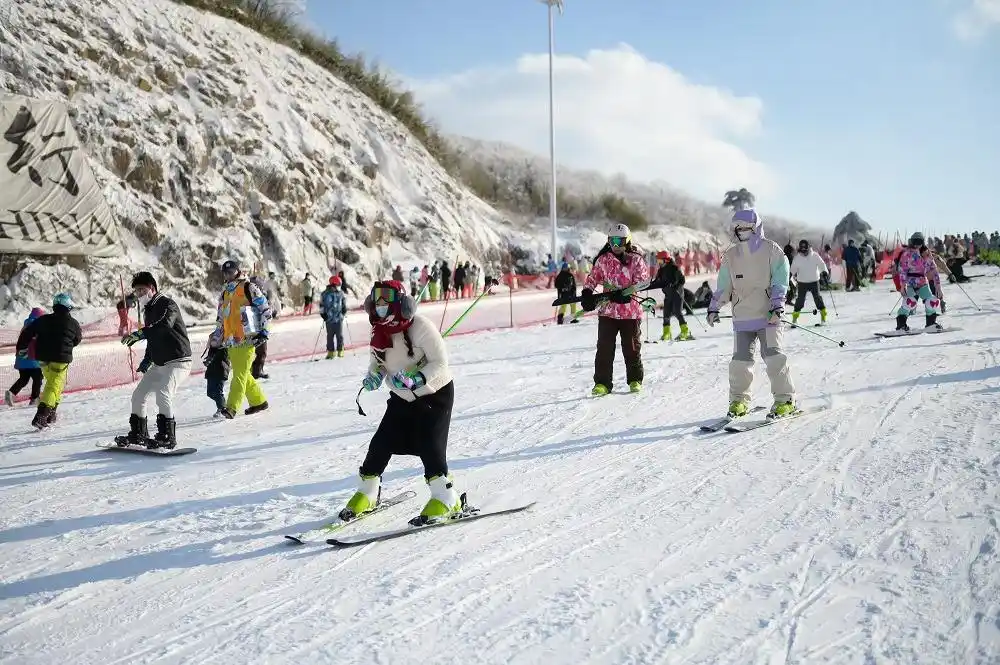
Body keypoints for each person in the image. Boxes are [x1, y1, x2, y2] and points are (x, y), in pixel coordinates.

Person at [340, 280, 464, 525]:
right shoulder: (378, 330)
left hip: (434, 394)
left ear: (401, 302)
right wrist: (374, 374)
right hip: (401, 397)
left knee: (430, 445)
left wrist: (417, 377)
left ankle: (447, 498)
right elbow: (377, 360)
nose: (381, 303)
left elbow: (440, 363)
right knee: (381, 443)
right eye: (377, 297)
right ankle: (368, 492)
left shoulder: (421, 327)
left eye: (386, 297)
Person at [707, 208, 796, 419]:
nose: (741, 232)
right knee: (740, 362)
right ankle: (738, 401)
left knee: (774, 358)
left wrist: (777, 304)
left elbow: (780, 280)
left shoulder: (771, 250)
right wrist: (714, 306)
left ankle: (785, 400)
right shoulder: (730, 256)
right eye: (737, 229)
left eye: (746, 228)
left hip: (769, 316)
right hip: (743, 317)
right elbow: (724, 285)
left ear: (756, 228)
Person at [117, 272, 193, 449]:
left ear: (152, 288)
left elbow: (164, 326)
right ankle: (139, 434)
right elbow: (154, 338)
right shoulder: (149, 310)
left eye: (142, 290)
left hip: (178, 361)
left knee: (163, 393)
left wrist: (141, 332)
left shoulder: (167, 304)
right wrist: (147, 359)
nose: (139, 294)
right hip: (159, 363)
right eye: (136, 291)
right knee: (138, 396)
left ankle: (167, 436)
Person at [580, 223, 650, 395]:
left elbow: (643, 281)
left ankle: (634, 379)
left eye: (619, 241)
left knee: (632, 348)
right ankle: (602, 383)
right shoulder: (604, 259)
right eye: (612, 241)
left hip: (630, 313)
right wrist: (587, 292)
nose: (615, 245)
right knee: (604, 348)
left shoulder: (636, 259)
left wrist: (629, 292)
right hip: (608, 312)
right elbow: (593, 277)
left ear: (627, 241)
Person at [210, 260, 272, 418]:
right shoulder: (225, 293)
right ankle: (258, 401)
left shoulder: (248, 287)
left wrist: (264, 331)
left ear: (237, 271)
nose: (228, 275)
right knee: (242, 373)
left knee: (239, 375)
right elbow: (220, 318)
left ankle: (231, 407)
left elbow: (265, 309)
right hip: (231, 341)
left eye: (231, 272)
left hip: (248, 338)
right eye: (225, 273)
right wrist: (217, 338)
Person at [15, 293, 82, 429]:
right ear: (69, 307)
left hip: (43, 358)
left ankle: (51, 413)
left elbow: (27, 333)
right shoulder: (73, 323)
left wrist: (21, 348)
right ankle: (42, 415)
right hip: (61, 359)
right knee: (53, 386)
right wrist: (67, 345)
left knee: (55, 384)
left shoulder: (43, 319)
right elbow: (77, 339)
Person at [893, 232, 943, 332]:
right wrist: (902, 286)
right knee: (909, 303)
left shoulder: (926, 254)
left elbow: (934, 270)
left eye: (919, 241)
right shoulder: (907, 254)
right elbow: (902, 270)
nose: (917, 244)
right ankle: (901, 325)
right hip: (910, 284)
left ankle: (930, 323)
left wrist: (938, 287)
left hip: (922, 284)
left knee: (931, 301)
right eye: (915, 241)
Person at [5, 307, 45, 407]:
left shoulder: (26, 324)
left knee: (24, 378)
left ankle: (11, 393)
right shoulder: (36, 325)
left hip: (21, 358)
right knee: (38, 377)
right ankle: (35, 398)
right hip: (31, 358)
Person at [790, 239, 830, 325]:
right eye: (802, 250)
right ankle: (794, 319)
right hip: (802, 282)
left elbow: (822, 264)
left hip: (814, 281)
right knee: (800, 300)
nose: (804, 252)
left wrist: (825, 272)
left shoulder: (815, 255)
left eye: (805, 250)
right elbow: (793, 269)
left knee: (818, 298)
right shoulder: (797, 258)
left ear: (809, 248)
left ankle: (823, 318)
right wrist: (790, 275)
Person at [654, 251, 690, 341]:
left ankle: (685, 331)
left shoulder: (674, 268)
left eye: (660, 261)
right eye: (658, 261)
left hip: (677, 294)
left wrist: (676, 286)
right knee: (666, 313)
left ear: (665, 260)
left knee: (677, 312)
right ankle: (667, 333)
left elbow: (682, 280)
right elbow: (658, 281)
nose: (659, 263)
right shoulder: (660, 270)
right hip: (668, 294)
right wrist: (650, 283)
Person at [320, 275, 348, 358]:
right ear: (333, 284)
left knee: (339, 335)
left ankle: (340, 350)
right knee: (330, 336)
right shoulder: (325, 294)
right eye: (338, 285)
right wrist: (323, 314)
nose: (339, 287)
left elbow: (343, 303)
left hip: (339, 318)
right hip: (329, 318)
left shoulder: (340, 293)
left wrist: (344, 309)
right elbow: (321, 305)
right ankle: (331, 352)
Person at [203, 339, 230, 416]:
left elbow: (224, 355)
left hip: (221, 370)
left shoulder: (225, 344)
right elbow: (211, 352)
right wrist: (208, 359)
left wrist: (211, 357)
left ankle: (221, 408)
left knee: (218, 391)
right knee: (210, 393)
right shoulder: (213, 341)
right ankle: (223, 404)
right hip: (211, 370)